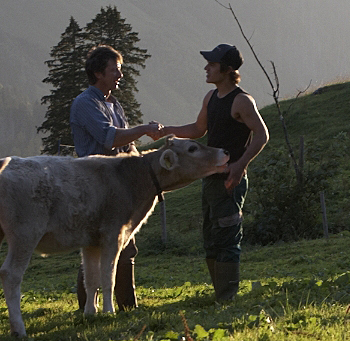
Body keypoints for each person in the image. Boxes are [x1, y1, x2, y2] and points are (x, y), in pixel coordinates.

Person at [159, 43, 269, 302]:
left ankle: (226, 297)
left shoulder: (242, 101)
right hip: (209, 178)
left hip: (230, 180)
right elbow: (198, 130)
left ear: (227, 69)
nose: (206, 68)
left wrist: (240, 165)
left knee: (227, 236)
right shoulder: (211, 98)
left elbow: (262, 135)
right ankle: (220, 293)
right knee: (211, 237)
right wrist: (166, 131)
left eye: (212, 64)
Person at [69, 44, 161, 310]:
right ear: (98, 73)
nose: (120, 75)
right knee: (95, 245)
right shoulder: (85, 103)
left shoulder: (114, 104)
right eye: (115, 70)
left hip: (119, 185)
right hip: (95, 184)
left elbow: (126, 145)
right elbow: (109, 138)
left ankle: (125, 306)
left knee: (124, 244)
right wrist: (144, 129)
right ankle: (90, 305)